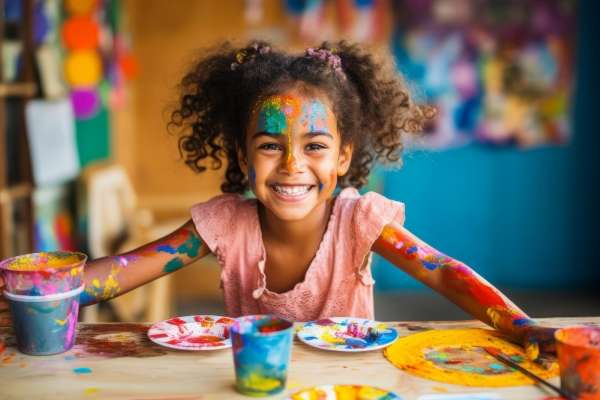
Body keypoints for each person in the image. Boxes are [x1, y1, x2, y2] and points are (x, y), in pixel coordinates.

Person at [0, 41, 555, 360]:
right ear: (242, 156)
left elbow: (443, 273)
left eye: (314, 145)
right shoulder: (225, 225)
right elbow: (118, 274)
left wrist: (519, 324)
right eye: (270, 145)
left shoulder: (361, 221)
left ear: (343, 157)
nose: (292, 165)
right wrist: (35, 294)